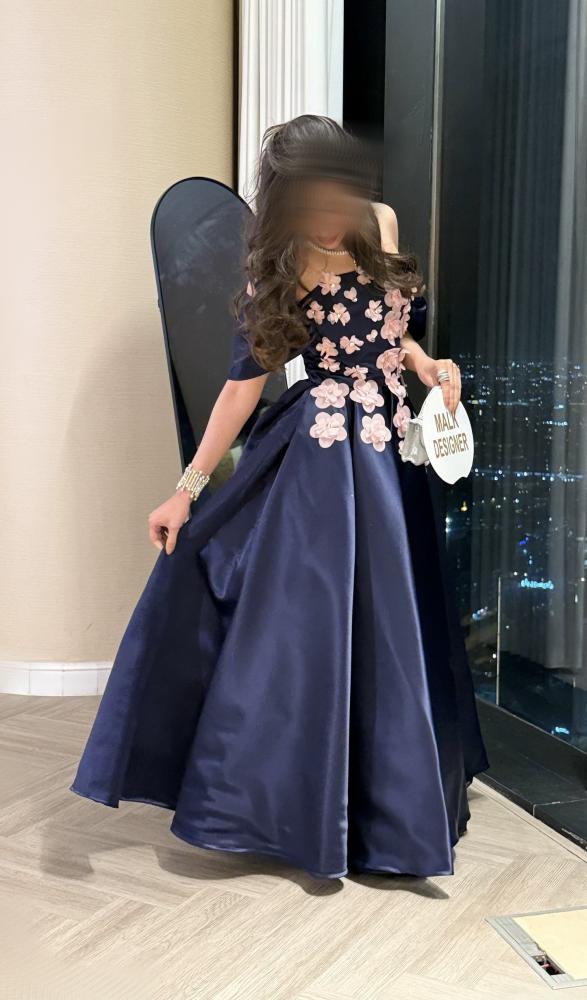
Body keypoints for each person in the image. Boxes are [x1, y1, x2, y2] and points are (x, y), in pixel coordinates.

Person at [72, 115, 488, 880]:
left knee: (396, 625)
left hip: (392, 456)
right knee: (310, 633)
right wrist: (185, 490)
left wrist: (428, 367)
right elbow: (242, 387)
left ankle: (392, 810)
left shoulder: (380, 222)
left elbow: (391, 334)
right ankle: (296, 808)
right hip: (324, 464)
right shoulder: (282, 261)